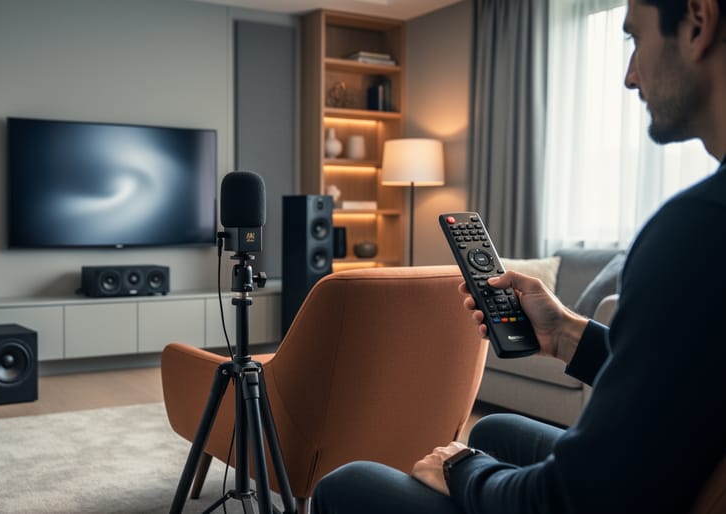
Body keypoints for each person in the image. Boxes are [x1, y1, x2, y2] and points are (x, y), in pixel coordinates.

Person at [311, 0, 726, 512]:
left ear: (698, 22)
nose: (629, 76)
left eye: (634, 39)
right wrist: (568, 332)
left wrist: (463, 470)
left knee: (346, 482)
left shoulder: (697, 231)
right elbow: (678, 378)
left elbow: (568, 497)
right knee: (497, 429)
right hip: (682, 469)